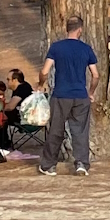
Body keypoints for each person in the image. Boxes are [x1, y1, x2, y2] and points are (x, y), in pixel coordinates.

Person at [39, 16, 98, 176]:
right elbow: (95, 75)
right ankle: (81, 164)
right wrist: (90, 93)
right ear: (80, 30)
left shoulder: (56, 48)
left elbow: (45, 71)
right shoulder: (86, 49)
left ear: (67, 28)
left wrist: (40, 84)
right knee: (80, 131)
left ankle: (49, 166)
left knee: (56, 130)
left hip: (60, 95)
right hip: (80, 96)